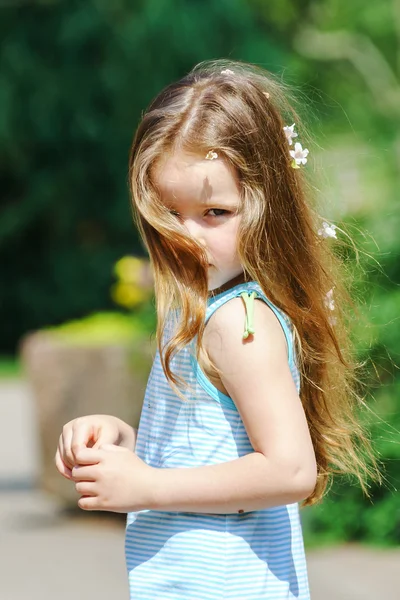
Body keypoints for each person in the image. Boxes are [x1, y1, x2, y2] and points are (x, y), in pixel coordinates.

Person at [55, 60, 380, 599]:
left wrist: (149, 486)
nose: (188, 235)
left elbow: (290, 469)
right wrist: (122, 443)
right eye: (168, 210)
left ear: (266, 205)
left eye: (215, 212)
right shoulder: (199, 309)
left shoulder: (238, 324)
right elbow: (205, 449)